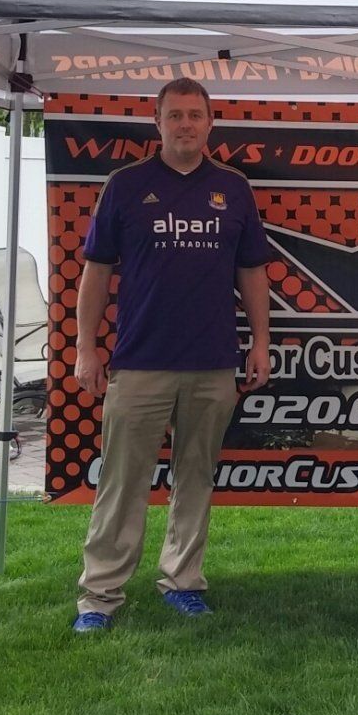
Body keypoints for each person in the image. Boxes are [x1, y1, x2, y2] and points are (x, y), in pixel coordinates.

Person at [71, 76, 273, 632]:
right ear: (156, 123)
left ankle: (182, 583)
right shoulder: (126, 185)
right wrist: (85, 349)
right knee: (121, 481)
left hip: (212, 363)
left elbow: (252, 272)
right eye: (175, 115)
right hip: (139, 362)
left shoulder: (233, 189)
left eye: (195, 115)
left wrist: (261, 341)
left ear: (211, 124)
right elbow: (95, 273)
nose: (186, 124)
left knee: (195, 479)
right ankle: (99, 597)